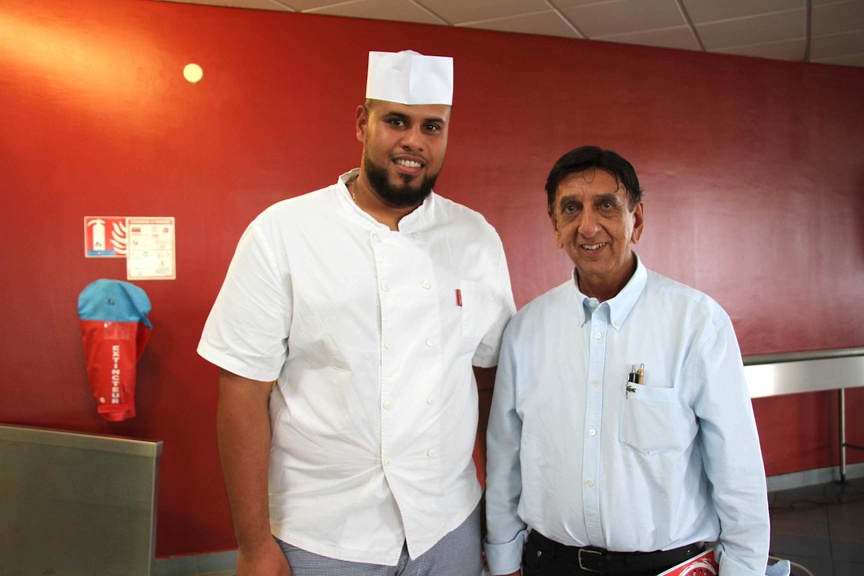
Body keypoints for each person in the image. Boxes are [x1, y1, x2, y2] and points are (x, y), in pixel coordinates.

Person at [198, 50, 515, 576]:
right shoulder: (284, 232)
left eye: (432, 126)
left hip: (449, 525)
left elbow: (489, 379)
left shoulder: (476, 239)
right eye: (396, 121)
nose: (414, 140)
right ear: (362, 123)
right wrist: (254, 546)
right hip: (322, 533)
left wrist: (499, 520)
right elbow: (241, 391)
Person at [484, 146, 770, 576]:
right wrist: (504, 559)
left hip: (668, 567)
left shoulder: (696, 323)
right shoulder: (526, 330)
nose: (588, 225)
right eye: (571, 209)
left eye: (606, 206)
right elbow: (505, 456)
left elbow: (737, 464)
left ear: (636, 219)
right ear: (555, 226)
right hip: (550, 563)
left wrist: (745, 568)